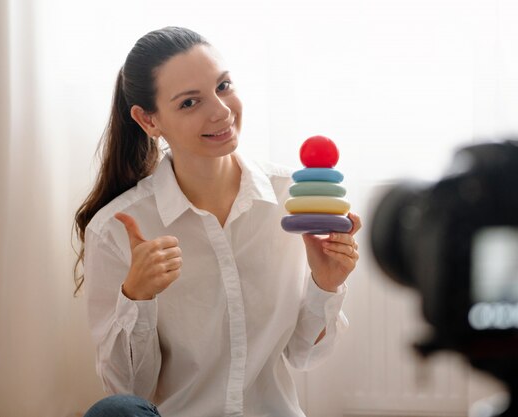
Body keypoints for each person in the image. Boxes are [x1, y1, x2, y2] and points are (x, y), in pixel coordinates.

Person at [73, 26, 361, 417]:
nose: (221, 111)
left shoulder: (291, 200)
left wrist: (326, 284)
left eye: (223, 86)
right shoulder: (116, 229)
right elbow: (130, 390)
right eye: (190, 103)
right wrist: (135, 296)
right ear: (149, 120)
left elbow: (303, 354)